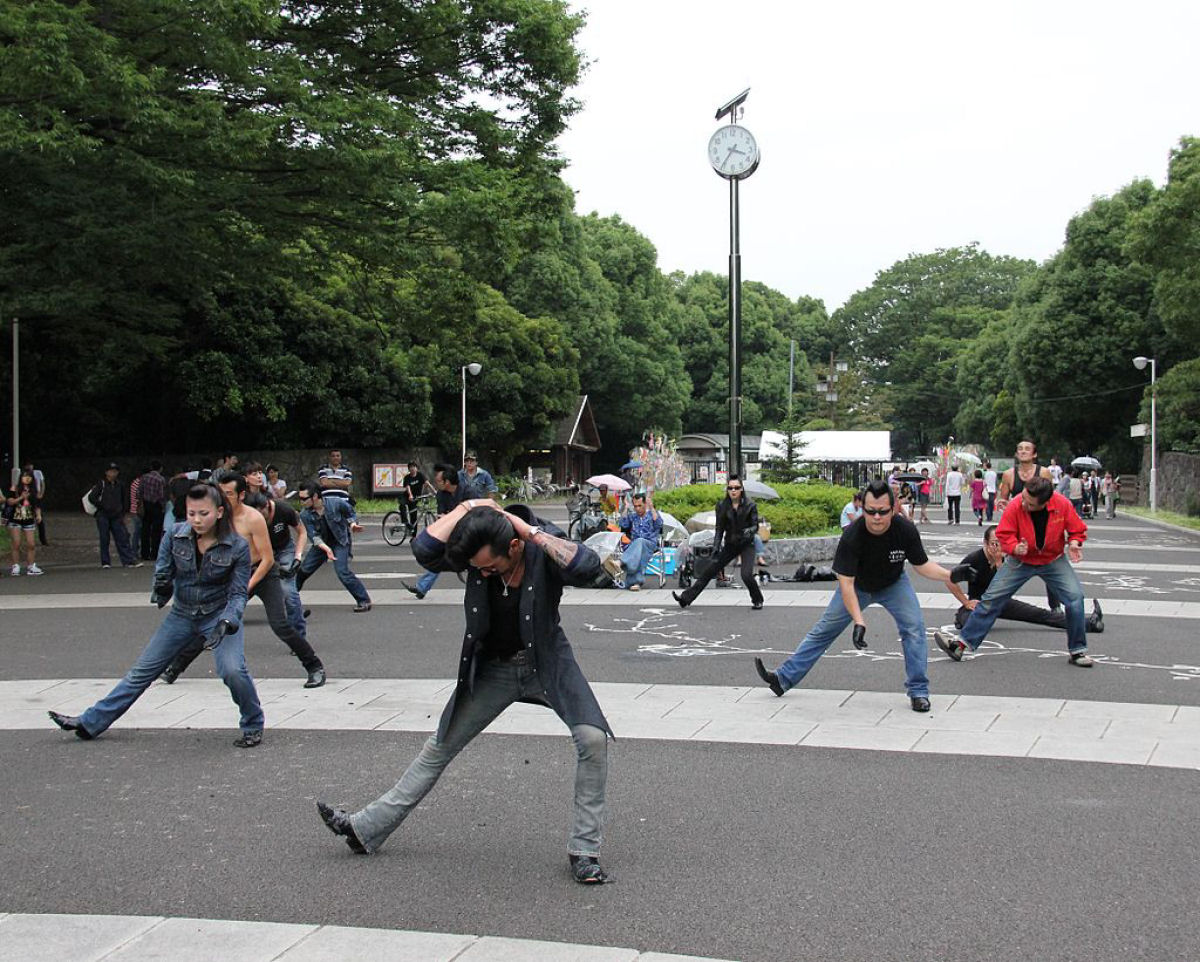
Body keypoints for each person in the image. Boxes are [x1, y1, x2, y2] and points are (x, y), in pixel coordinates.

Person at [316, 501, 613, 885]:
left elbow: (589, 566)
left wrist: (528, 529)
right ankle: (363, 829)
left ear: (515, 547)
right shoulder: (478, 553)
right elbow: (424, 551)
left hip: (547, 662)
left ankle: (584, 851)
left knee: (592, 739)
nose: (483, 574)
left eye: (491, 568)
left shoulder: (539, 548)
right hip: (492, 668)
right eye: (478, 570)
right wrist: (466, 507)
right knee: (438, 747)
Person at [48, 482, 265, 747]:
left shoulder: (237, 546)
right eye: (190, 513)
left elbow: (239, 593)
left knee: (232, 670)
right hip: (182, 614)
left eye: (203, 514)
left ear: (219, 512)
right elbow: (162, 574)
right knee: (141, 672)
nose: (196, 520)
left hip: (218, 615)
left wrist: (229, 621)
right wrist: (162, 588)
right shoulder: (174, 535)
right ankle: (90, 722)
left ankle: (253, 723)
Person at [755, 480, 972, 712]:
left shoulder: (905, 530)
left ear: (894, 508)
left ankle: (918, 691)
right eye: (870, 511)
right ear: (863, 509)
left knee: (914, 629)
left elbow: (922, 565)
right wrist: (859, 621)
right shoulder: (852, 536)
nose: (876, 517)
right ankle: (783, 679)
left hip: (894, 584)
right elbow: (846, 584)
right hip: (858, 586)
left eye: (882, 512)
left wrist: (951, 574)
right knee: (824, 631)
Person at [160, 473, 327, 688]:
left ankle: (314, 667)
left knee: (280, 624)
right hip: (235, 574)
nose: (222, 497)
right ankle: (175, 667)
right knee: (212, 622)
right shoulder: (218, 517)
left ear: (241, 495)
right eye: (220, 492)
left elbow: (268, 559)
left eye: (228, 493)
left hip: (263, 574)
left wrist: (244, 589)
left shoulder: (253, 518)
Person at [935, 476, 1094, 667]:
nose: (1023, 503)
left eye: (1029, 502)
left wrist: (1075, 543)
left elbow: (1077, 529)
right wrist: (1013, 548)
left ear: (1044, 503)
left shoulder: (1062, 504)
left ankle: (1077, 651)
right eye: (1024, 497)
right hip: (1021, 560)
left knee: (1075, 598)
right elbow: (1003, 533)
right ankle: (959, 645)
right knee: (991, 598)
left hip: (1052, 559)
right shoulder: (1016, 504)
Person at [951, 526, 1104, 633]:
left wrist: (999, 562)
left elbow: (1002, 585)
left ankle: (1090, 623)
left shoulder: (1007, 557)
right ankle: (962, 618)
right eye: (994, 543)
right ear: (985, 543)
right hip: (979, 604)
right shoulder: (974, 558)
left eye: (1001, 543)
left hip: (1002, 602)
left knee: (1040, 615)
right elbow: (950, 579)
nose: (997, 548)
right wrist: (966, 602)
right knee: (970, 622)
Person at [672, 475, 764, 610]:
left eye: (737, 488)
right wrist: (715, 547)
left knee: (746, 575)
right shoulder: (722, 506)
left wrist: (748, 531)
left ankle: (757, 599)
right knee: (709, 570)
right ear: (727, 489)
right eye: (730, 488)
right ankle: (685, 599)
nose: (733, 491)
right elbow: (719, 529)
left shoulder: (750, 505)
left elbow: (755, 526)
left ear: (741, 489)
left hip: (746, 544)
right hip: (730, 544)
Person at [295, 478, 373, 612]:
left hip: (340, 541)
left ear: (314, 496)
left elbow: (350, 513)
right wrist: (326, 549)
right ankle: (290, 602)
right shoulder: (305, 515)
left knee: (342, 571)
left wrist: (352, 524)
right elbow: (313, 536)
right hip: (321, 545)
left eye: (304, 499)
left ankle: (364, 600)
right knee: (302, 572)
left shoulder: (335, 503)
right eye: (300, 498)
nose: (301, 502)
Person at [246, 491, 310, 641]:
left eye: (261, 517)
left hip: (283, 550)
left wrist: (298, 557)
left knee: (288, 592)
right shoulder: (246, 518)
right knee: (238, 592)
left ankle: (298, 638)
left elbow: (302, 532)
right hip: (259, 553)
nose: (259, 521)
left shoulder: (284, 510)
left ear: (267, 506)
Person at [87, 462, 140, 568]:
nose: (113, 473)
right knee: (104, 538)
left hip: (117, 515)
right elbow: (92, 497)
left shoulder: (120, 484)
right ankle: (105, 562)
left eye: (115, 471)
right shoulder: (101, 484)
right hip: (103, 515)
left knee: (122, 537)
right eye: (111, 471)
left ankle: (127, 560)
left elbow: (124, 499)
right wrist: (102, 506)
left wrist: (123, 512)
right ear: (106, 472)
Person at [617, 492, 663, 590]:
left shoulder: (652, 514)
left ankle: (621, 562)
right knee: (638, 549)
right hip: (635, 546)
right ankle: (636, 583)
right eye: (635, 506)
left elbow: (659, 524)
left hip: (650, 544)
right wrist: (626, 507)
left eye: (640, 506)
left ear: (645, 504)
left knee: (640, 541)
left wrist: (652, 508)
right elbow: (623, 524)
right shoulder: (633, 516)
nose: (637, 508)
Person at [996, 439, 1053, 513]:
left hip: (1040, 514)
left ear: (1034, 454)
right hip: (1017, 515)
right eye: (1020, 449)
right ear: (1016, 454)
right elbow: (1003, 501)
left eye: (1027, 449)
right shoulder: (1008, 474)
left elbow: (1050, 498)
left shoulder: (1044, 472)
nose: (1023, 452)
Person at [7, 467, 43, 576]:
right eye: (24, 477)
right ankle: (15, 566)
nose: (26, 479)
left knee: (31, 544)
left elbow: (36, 504)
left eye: (29, 477)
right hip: (15, 519)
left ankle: (31, 566)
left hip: (28, 519)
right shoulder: (15, 488)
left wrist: (38, 514)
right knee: (16, 543)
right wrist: (21, 498)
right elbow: (10, 501)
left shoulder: (33, 490)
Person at [317, 448, 363, 533]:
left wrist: (331, 481)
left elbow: (347, 483)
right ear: (330, 457)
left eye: (338, 456)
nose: (336, 458)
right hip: (327, 499)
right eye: (333, 456)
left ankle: (353, 524)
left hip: (342, 499)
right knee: (330, 520)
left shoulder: (346, 469)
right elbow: (324, 483)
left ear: (341, 457)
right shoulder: (323, 468)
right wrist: (340, 482)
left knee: (347, 510)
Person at [138, 461, 168, 561]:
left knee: (145, 529)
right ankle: (154, 553)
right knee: (156, 531)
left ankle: (144, 553)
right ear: (160, 468)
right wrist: (163, 507)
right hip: (156, 505)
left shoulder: (144, 477)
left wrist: (140, 504)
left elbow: (140, 492)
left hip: (146, 504)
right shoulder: (161, 479)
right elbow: (161, 495)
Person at [400, 461, 430, 532]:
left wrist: (435, 491)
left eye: (413, 467)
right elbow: (408, 487)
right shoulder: (407, 477)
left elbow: (427, 483)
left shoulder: (420, 475)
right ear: (409, 469)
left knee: (414, 517)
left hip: (415, 498)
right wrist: (410, 495)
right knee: (402, 505)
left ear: (416, 468)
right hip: (407, 496)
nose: (412, 469)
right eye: (410, 467)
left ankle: (413, 536)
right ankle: (406, 522)